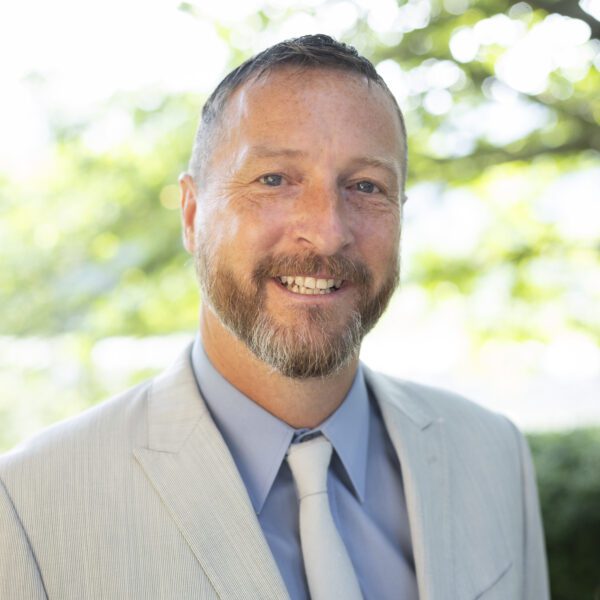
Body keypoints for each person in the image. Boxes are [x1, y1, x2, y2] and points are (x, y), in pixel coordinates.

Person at [0, 34, 549, 600]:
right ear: (191, 215)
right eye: (274, 180)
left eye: (366, 186)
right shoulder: (27, 507)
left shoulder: (494, 451)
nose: (329, 230)